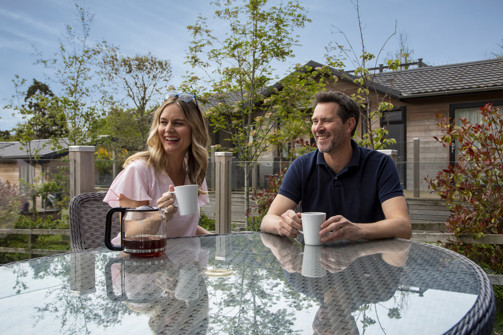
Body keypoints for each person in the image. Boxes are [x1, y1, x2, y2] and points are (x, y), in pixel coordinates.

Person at [260, 91, 411, 242]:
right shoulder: (302, 166)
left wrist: (358, 230)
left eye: (326, 121)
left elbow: (403, 226)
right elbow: (267, 220)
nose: (317, 128)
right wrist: (282, 224)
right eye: (314, 121)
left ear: (349, 125)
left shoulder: (380, 164)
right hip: (313, 261)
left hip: (367, 259)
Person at [104, 92, 211, 238]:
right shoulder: (139, 171)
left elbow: (185, 227)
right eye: (163, 122)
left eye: (178, 123)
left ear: (194, 129)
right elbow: (129, 234)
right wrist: (161, 215)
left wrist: (218, 241)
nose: (168, 129)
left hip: (182, 258)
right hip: (138, 259)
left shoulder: (193, 171)